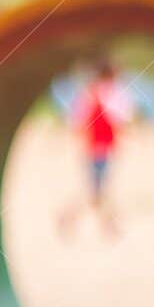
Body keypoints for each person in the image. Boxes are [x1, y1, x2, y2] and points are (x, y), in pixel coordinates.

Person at [59, 60, 133, 237]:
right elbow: (121, 120)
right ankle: (73, 218)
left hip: (90, 148)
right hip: (103, 148)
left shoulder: (88, 93)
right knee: (97, 192)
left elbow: (76, 121)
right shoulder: (113, 93)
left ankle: (107, 225)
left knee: (98, 191)